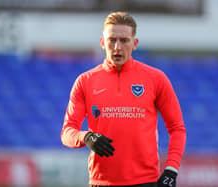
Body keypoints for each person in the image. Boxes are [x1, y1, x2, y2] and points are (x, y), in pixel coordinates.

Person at [61, 11, 186, 187]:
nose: (117, 47)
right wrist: (86, 136)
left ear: (134, 44)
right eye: (112, 40)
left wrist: (171, 170)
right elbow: (67, 132)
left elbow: (177, 128)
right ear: (103, 43)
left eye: (124, 40)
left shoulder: (156, 79)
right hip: (101, 182)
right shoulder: (85, 81)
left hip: (145, 182)